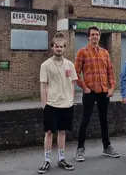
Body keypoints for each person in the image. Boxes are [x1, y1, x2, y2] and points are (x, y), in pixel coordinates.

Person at [74, 26, 120, 162]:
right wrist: (85, 88)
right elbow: (75, 73)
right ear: (88, 37)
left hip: (103, 92)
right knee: (85, 120)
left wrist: (112, 88)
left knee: (104, 120)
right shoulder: (82, 52)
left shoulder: (105, 53)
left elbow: (110, 72)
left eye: (97, 34)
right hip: (90, 92)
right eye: (92, 35)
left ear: (99, 37)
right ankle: (80, 149)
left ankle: (107, 147)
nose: (95, 37)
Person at [38, 32, 78, 173]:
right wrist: (44, 105)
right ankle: (46, 161)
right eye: (56, 46)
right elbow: (43, 86)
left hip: (67, 104)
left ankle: (61, 159)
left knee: (62, 132)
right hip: (51, 104)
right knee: (49, 132)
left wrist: (71, 99)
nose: (59, 49)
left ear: (64, 48)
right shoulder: (45, 65)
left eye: (61, 47)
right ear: (52, 47)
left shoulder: (70, 65)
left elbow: (73, 83)